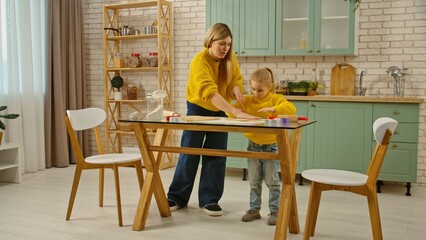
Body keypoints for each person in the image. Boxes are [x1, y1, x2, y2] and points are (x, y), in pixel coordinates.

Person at [167, 23, 258, 217]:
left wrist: (235, 88)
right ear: (210, 41)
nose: (225, 48)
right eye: (222, 44)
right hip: (198, 108)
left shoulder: (230, 57)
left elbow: (236, 78)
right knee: (189, 153)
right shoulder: (199, 61)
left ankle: (209, 200)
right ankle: (176, 197)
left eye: (228, 44)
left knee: (216, 155)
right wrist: (235, 112)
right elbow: (210, 93)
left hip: (220, 110)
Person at [234, 67, 296, 225]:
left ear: (270, 87)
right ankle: (254, 210)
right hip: (253, 146)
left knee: (272, 181)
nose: (255, 93)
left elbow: (291, 109)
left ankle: (275, 211)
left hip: (271, 146)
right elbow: (231, 112)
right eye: (253, 89)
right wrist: (237, 104)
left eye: (260, 90)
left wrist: (274, 109)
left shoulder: (276, 98)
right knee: (254, 181)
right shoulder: (247, 100)